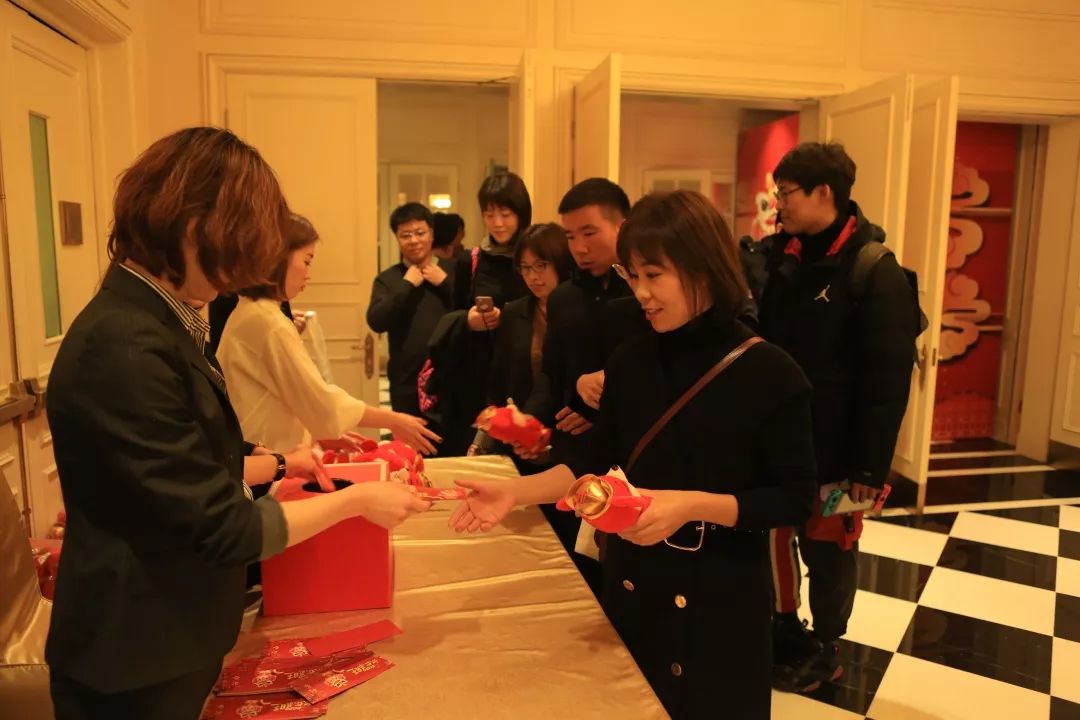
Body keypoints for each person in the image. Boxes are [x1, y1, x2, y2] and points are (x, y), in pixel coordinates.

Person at [44, 128, 432, 720]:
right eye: (240, 245)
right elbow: (221, 526)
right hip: (137, 654)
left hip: (166, 638)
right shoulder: (125, 345)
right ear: (194, 226)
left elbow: (196, 453)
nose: (238, 273)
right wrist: (357, 502)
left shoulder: (159, 323)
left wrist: (275, 462)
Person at [449, 190, 816, 719]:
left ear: (703, 268)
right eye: (632, 275)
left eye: (654, 275)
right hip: (634, 582)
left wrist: (690, 505)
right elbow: (595, 460)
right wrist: (515, 492)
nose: (640, 292)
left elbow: (793, 498)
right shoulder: (632, 359)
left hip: (720, 597)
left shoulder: (769, 372)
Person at [757, 142, 919, 692]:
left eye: (786, 193)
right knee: (774, 537)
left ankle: (827, 646)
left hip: (839, 450)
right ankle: (784, 628)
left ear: (824, 192)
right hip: (780, 442)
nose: (778, 203)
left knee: (828, 550)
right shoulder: (784, 257)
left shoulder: (874, 270)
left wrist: (869, 469)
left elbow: (887, 383)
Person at [219, 211, 439, 455]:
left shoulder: (253, 312)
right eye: (307, 261)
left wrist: (317, 434)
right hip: (265, 455)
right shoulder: (267, 321)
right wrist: (393, 420)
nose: (308, 274)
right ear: (276, 258)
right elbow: (321, 402)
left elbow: (294, 399)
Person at [424, 172, 531, 456]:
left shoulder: (535, 257)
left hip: (523, 374)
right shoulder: (470, 260)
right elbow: (453, 314)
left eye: (506, 214)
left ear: (521, 213)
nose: (497, 223)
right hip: (476, 378)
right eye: (489, 214)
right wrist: (469, 321)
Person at [470, 222, 574, 465]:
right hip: (521, 437)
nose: (533, 277)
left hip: (569, 433)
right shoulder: (514, 313)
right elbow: (500, 379)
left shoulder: (578, 311)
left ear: (560, 262)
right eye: (526, 268)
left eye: (541, 266)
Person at [367, 203, 456, 418]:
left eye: (420, 233)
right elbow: (376, 321)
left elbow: (471, 308)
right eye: (406, 235)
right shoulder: (388, 279)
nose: (414, 240)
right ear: (397, 239)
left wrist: (445, 283)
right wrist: (405, 286)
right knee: (409, 439)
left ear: (431, 234)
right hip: (406, 384)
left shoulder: (453, 270)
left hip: (451, 380)